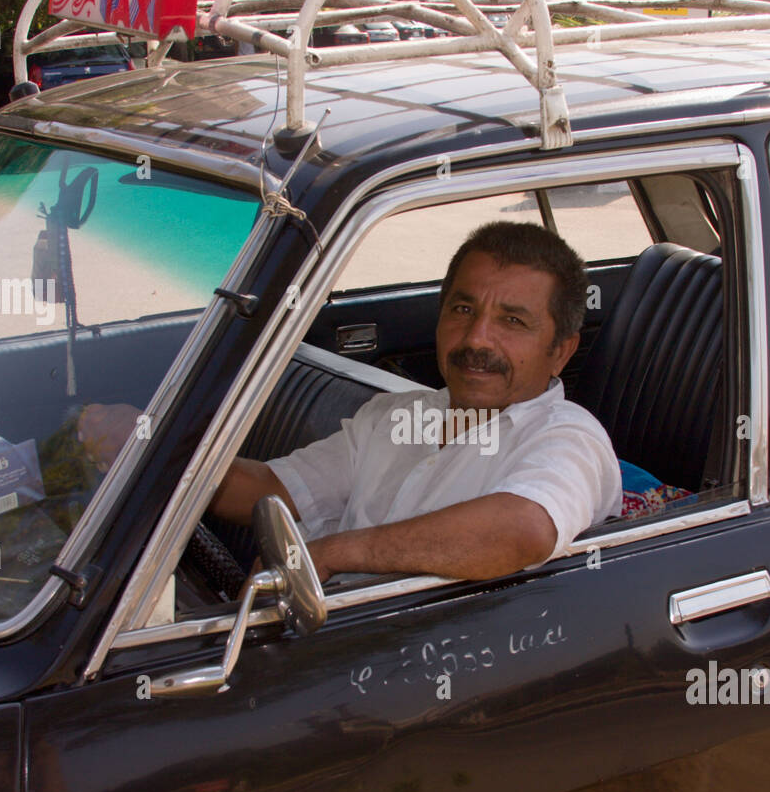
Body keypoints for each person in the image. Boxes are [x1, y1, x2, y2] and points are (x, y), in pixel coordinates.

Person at [79, 221, 621, 584]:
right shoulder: (397, 415)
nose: (477, 339)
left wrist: (333, 554)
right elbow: (274, 489)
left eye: (512, 321)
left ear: (561, 350)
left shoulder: (567, 436)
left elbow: (522, 529)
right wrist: (157, 449)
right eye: (462, 309)